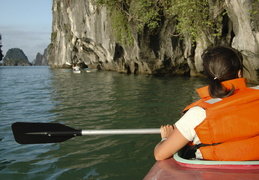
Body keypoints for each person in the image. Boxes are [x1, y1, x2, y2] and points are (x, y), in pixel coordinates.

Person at [154, 46, 259, 161]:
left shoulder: (198, 114)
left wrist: (165, 138)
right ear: (239, 73)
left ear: (208, 76)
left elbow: (160, 154)